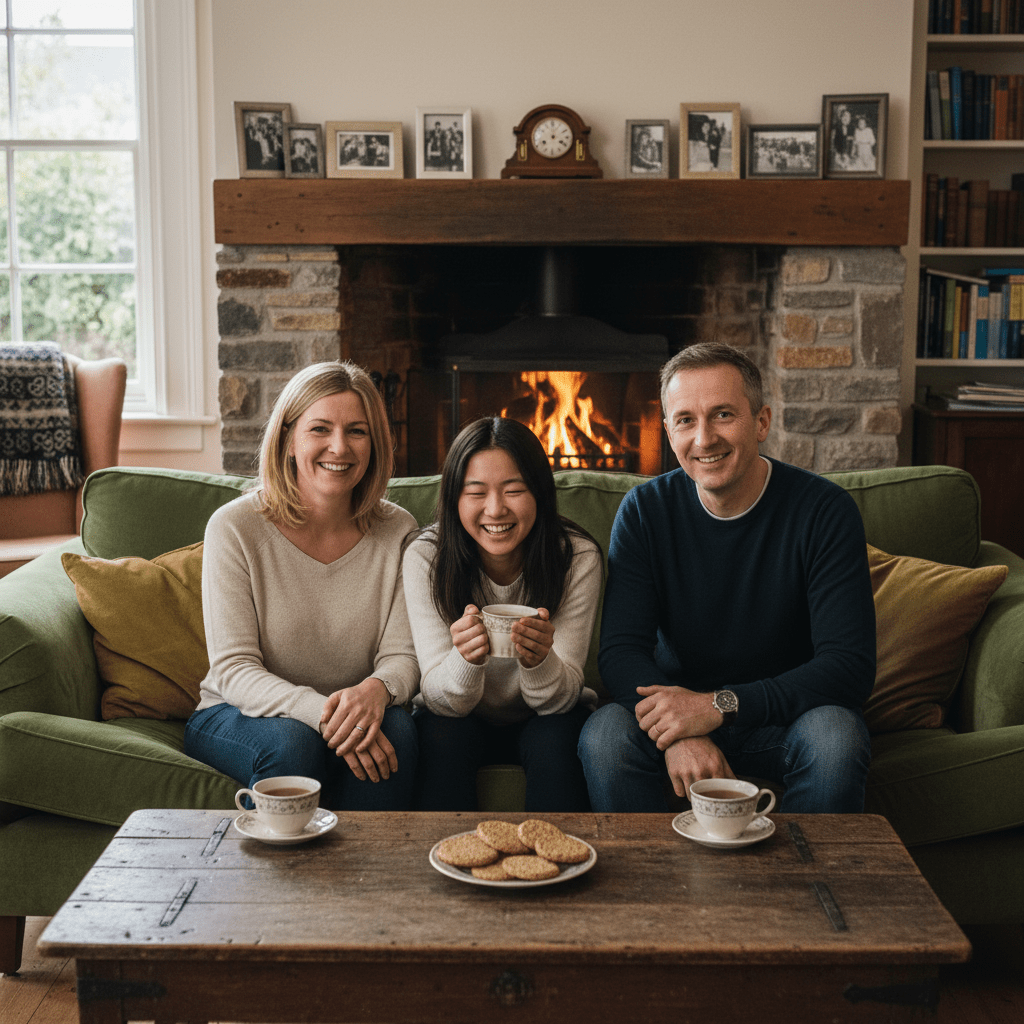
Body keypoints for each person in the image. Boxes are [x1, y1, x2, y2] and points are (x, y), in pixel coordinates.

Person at [578, 342, 876, 814]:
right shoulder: (645, 512)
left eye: (722, 415)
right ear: (668, 432)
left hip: (786, 720)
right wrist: (678, 731)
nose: (704, 439)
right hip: (679, 711)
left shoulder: (824, 511)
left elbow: (848, 667)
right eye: (685, 420)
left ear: (761, 422)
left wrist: (717, 706)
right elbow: (621, 652)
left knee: (836, 737)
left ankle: (805, 867)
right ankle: (649, 867)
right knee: (605, 735)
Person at [184, 361, 420, 810]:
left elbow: (403, 656)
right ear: (289, 439)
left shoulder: (399, 530)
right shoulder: (234, 527)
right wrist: (323, 716)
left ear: (375, 444)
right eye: (320, 429)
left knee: (398, 731)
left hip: (355, 711)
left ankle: (368, 859)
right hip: (235, 712)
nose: (339, 447)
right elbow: (234, 669)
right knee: (295, 743)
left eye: (357, 431)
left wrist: (377, 690)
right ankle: (269, 860)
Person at [403, 416, 602, 811]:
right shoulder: (426, 557)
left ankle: (552, 851)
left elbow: (562, 699)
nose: (495, 510)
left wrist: (540, 661)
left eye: (514, 491)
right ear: (454, 499)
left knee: (557, 738)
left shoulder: (575, 556)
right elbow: (438, 698)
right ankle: (446, 852)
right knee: (441, 736)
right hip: (456, 716)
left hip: (547, 715)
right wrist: (465, 659)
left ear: (540, 493)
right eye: (476, 493)